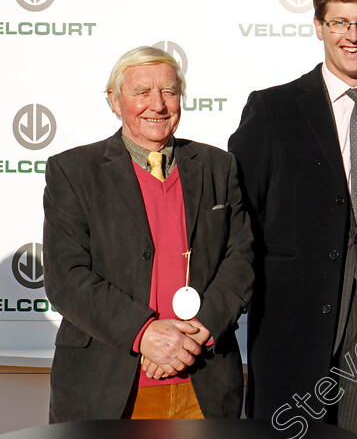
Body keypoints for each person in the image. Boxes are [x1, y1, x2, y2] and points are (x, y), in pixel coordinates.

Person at [228, 0, 357, 438]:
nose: (352, 36)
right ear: (319, 26)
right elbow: (238, 218)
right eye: (339, 22)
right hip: (290, 329)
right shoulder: (272, 109)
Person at [43, 46, 254, 422]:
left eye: (169, 92)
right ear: (114, 100)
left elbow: (241, 259)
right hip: (105, 389)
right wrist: (146, 334)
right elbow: (67, 278)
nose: (157, 105)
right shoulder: (73, 172)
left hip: (203, 383)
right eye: (142, 93)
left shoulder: (218, 166)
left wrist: (197, 334)